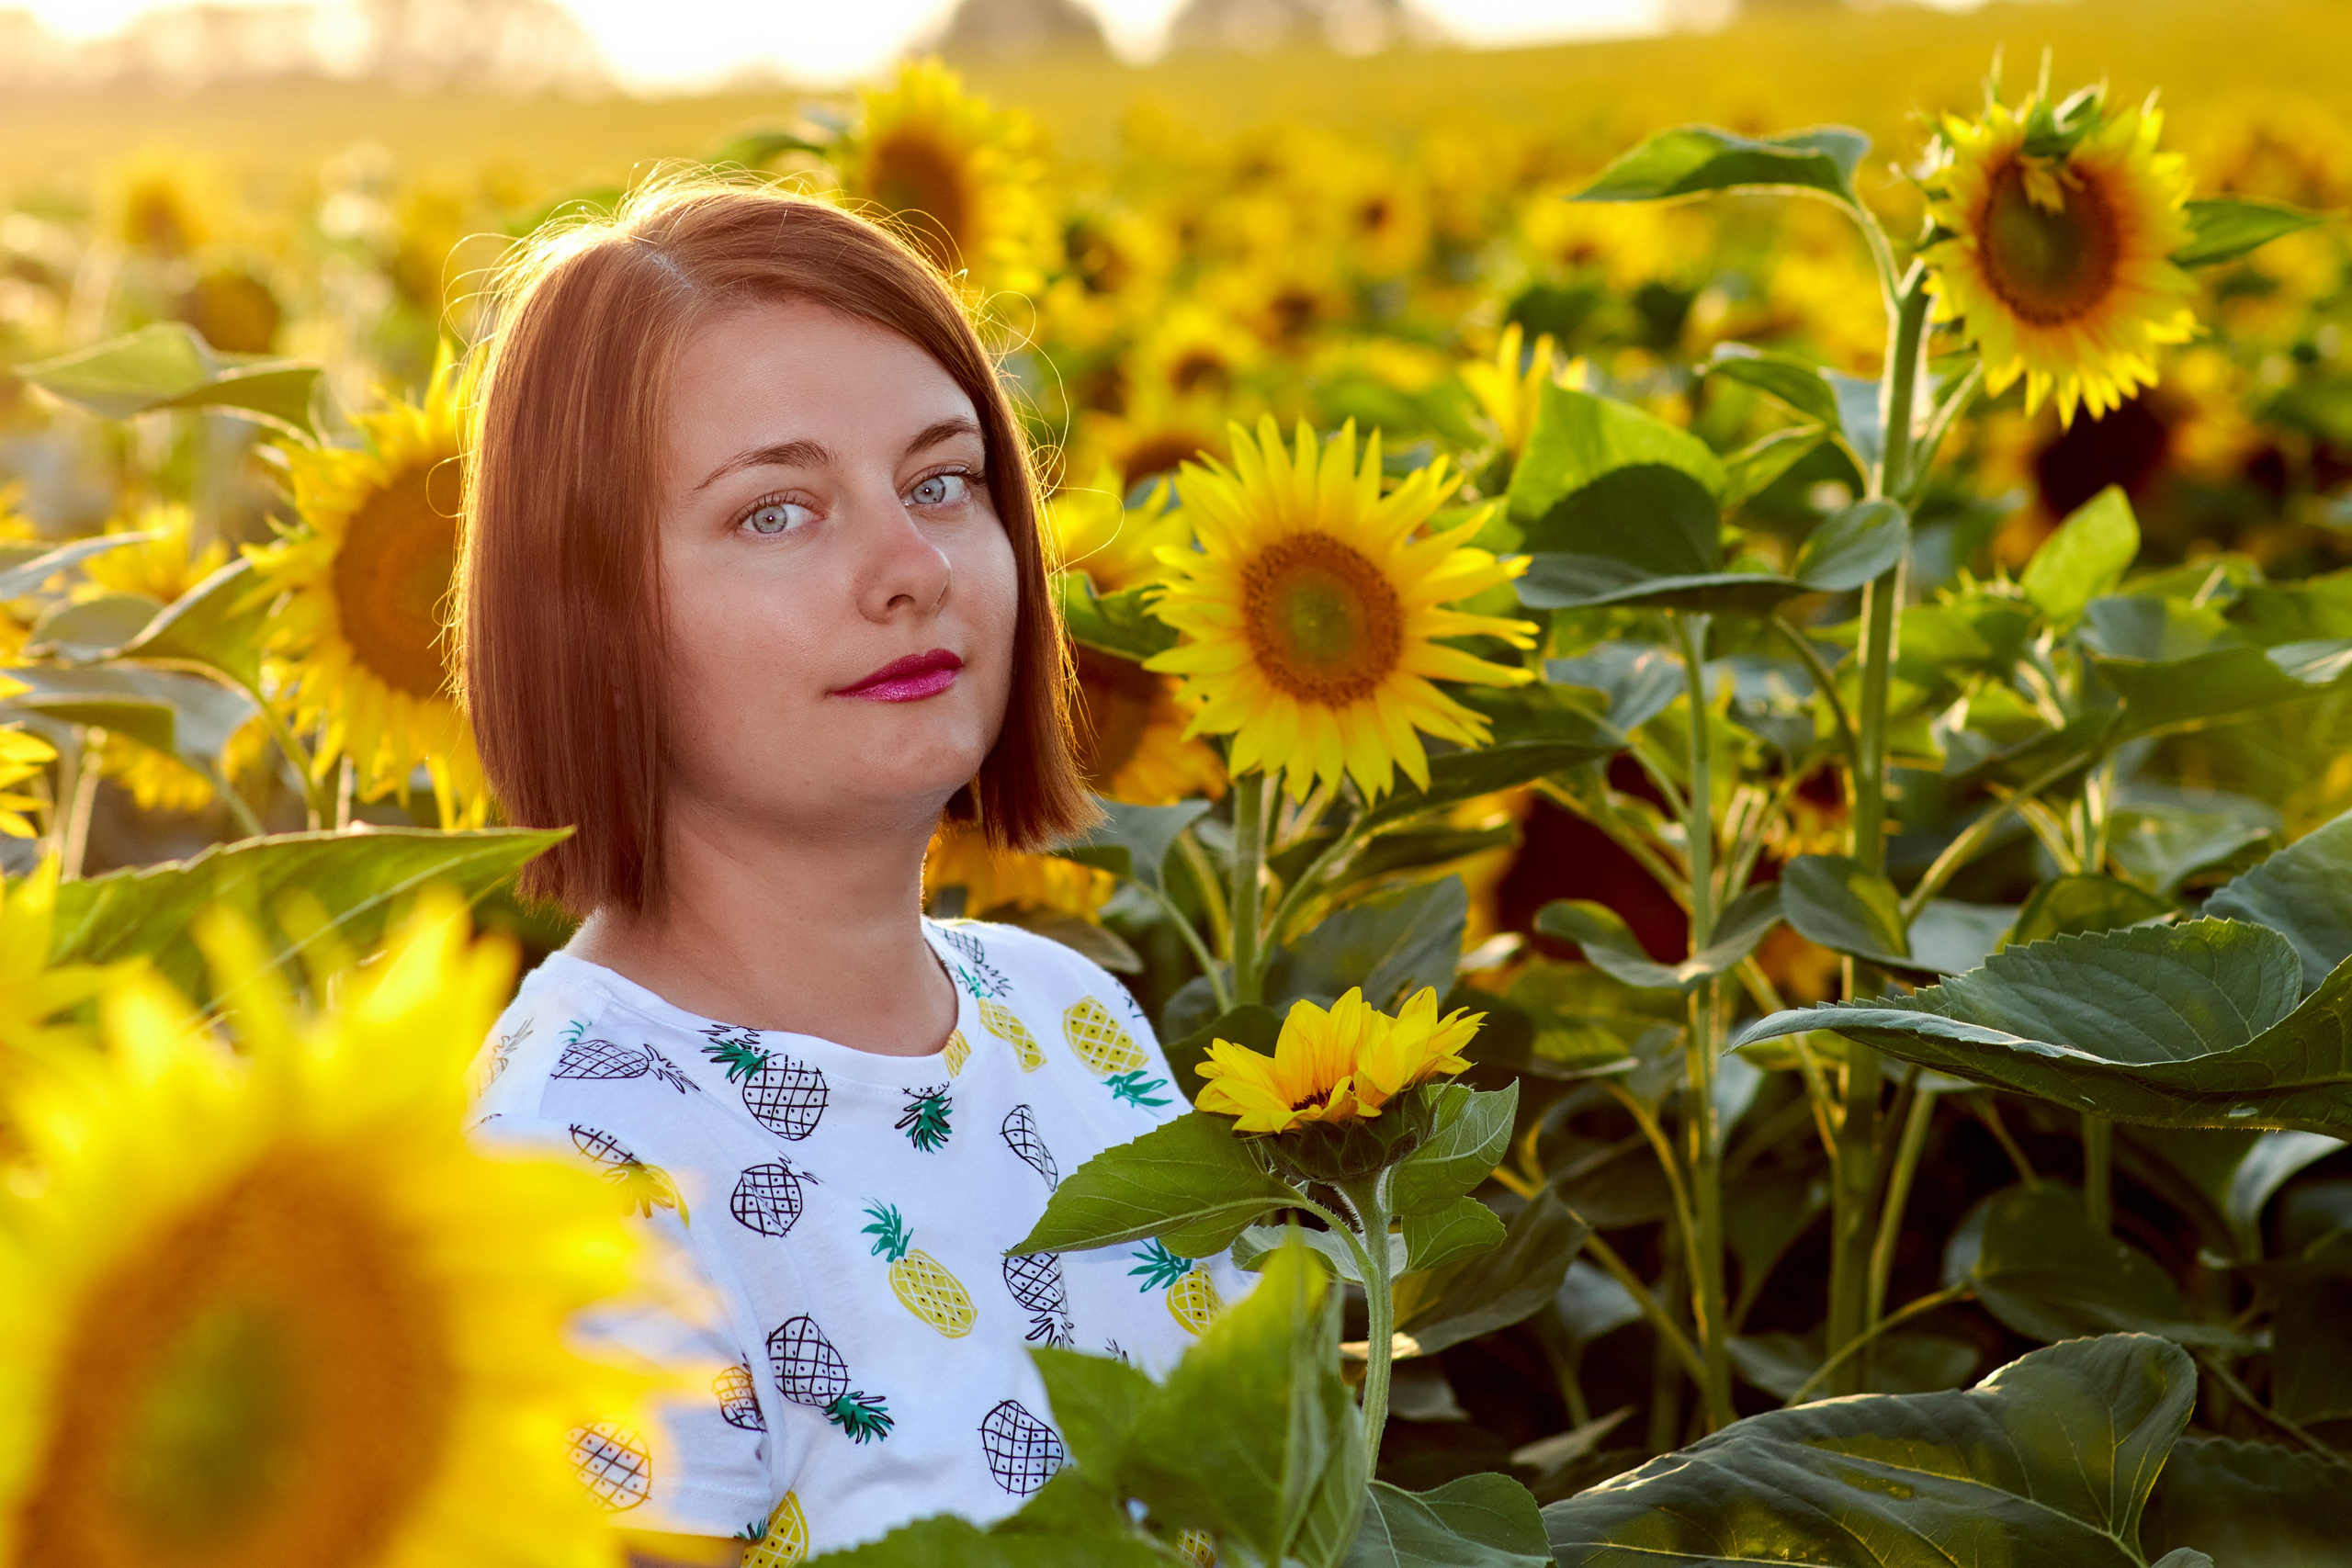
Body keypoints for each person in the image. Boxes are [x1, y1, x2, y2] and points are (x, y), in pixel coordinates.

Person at [457, 176, 1251, 1566]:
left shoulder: (1073, 1021)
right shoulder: (582, 1158)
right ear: (587, 614)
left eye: (943, 483)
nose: (910, 567)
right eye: (778, 511)